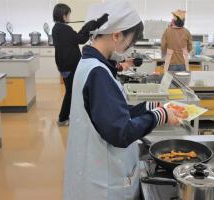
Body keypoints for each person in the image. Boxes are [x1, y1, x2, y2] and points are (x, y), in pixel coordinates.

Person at [63, 1, 179, 199]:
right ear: (116, 35)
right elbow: (121, 132)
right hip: (103, 184)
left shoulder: (90, 63)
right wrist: (159, 115)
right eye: (130, 42)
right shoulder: (98, 73)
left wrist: (148, 107)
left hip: (90, 170)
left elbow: (110, 115)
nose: (129, 48)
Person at [52, 3, 108, 126]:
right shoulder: (64, 29)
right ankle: (62, 118)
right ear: (64, 16)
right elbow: (80, 39)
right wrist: (89, 26)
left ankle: (66, 116)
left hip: (64, 65)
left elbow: (75, 39)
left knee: (71, 91)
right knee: (70, 92)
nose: (70, 16)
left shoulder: (56, 28)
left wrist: (89, 26)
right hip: (69, 66)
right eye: (69, 14)